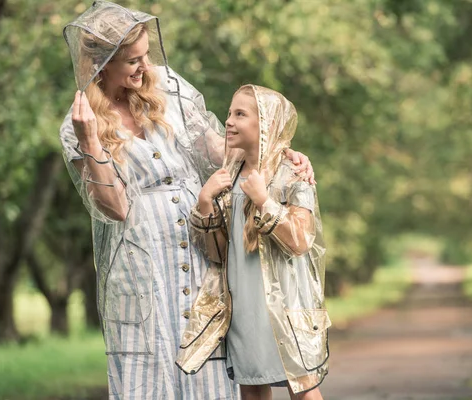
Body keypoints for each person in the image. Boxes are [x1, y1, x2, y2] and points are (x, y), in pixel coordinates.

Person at [59, 2, 315, 399]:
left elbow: (220, 149)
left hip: (200, 242)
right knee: (152, 360)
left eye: (146, 55)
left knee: (208, 351)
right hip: (141, 262)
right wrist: (90, 141)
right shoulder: (79, 123)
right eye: (132, 61)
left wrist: (282, 157)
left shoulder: (166, 86)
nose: (144, 66)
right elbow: (115, 207)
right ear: (100, 63)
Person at [176, 85, 330, 400]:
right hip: (243, 303)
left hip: (284, 303)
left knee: (303, 389)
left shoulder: (292, 173)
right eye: (230, 113)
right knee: (251, 385)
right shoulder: (227, 178)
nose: (229, 121)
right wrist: (206, 203)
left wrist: (264, 201)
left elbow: (301, 241)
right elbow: (219, 253)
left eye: (240, 114)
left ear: (267, 124)